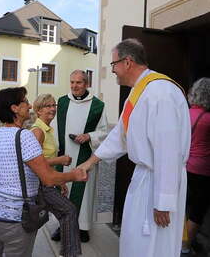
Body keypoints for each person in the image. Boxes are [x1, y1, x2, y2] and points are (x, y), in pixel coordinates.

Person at [78, 38, 191, 257]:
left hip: (158, 184)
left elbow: (168, 151)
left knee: (154, 246)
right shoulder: (139, 91)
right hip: (145, 182)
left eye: (114, 64)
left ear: (127, 62)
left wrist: (163, 202)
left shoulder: (161, 93)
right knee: (135, 243)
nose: (113, 70)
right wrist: (90, 162)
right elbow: (120, 135)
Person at [0, 87, 87, 257]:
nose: (29, 106)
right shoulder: (25, 136)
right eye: (25, 102)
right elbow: (48, 178)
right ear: (14, 108)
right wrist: (74, 175)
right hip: (12, 218)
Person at [52, 70, 108, 243]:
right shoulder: (61, 102)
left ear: (86, 84)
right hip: (64, 156)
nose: (75, 86)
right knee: (62, 192)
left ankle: (83, 228)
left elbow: (104, 131)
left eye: (79, 82)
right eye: (72, 82)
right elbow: (53, 126)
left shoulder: (98, 105)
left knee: (84, 194)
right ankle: (62, 227)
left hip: (85, 156)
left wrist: (89, 136)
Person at [31, 93, 81, 257]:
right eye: (48, 106)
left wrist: (59, 182)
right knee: (69, 211)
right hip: (42, 185)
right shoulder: (38, 131)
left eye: (54, 105)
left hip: (48, 183)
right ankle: (70, 253)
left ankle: (69, 252)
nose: (53, 109)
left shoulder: (48, 129)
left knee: (66, 212)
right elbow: (34, 163)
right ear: (38, 110)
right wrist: (60, 160)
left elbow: (46, 159)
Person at [182, 77, 210, 254]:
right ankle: (185, 247)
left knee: (183, 207)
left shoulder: (184, 114)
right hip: (202, 170)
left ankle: (177, 241)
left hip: (185, 167)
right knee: (197, 211)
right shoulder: (208, 119)